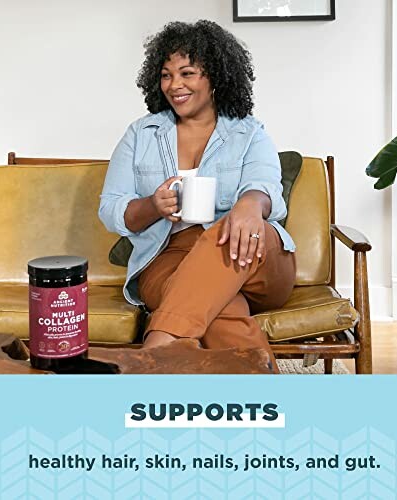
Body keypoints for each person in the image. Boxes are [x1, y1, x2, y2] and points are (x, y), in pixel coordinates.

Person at [99, 20, 296, 373]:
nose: (175, 85)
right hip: (166, 258)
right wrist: (152, 206)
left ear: (216, 76)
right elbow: (111, 207)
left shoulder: (249, 133)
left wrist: (250, 206)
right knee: (220, 307)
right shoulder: (141, 134)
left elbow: (265, 183)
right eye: (166, 75)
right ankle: (264, 394)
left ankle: (154, 351)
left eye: (187, 73)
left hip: (250, 249)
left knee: (225, 232)